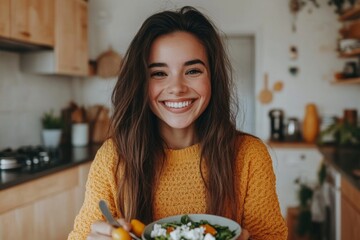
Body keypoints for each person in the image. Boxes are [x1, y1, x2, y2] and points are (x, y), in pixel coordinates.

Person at [68, 6, 288, 240]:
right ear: (142, 83)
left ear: (213, 77)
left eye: (193, 70)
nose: (177, 88)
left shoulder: (249, 156)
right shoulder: (113, 158)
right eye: (159, 73)